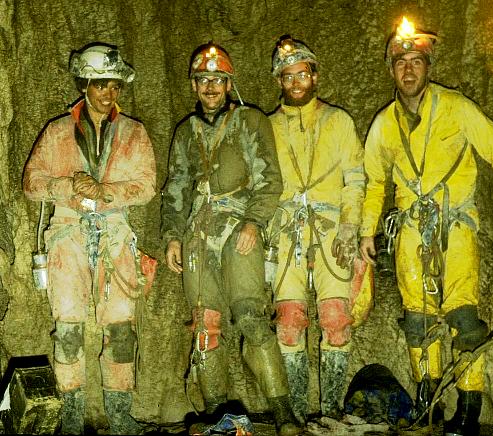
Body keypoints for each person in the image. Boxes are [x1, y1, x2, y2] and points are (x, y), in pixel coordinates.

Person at [359, 17, 493, 436]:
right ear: (391, 70)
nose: (408, 71)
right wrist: (367, 231)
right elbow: (375, 183)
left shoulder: (456, 107)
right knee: (418, 322)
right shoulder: (383, 125)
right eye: (401, 63)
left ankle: (469, 407)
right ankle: (428, 405)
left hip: (455, 228)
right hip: (411, 233)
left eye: (416, 62)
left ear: (428, 66)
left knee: (464, 318)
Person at [160, 42, 301, 436]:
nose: (210, 87)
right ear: (193, 85)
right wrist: (172, 236)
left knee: (252, 317)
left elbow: (270, 180)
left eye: (218, 80)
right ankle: (216, 414)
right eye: (203, 80)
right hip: (197, 234)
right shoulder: (185, 132)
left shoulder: (249, 121)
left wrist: (254, 222)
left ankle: (283, 410)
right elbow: (176, 188)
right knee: (205, 325)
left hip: (239, 228)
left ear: (228, 84)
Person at [23, 43, 156, 435]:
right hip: (68, 235)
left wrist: (106, 192)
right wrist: (67, 186)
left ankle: (120, 418)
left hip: (115, 234)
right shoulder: (57, 132)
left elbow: (147, 186)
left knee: (121, 329)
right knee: (68, 329)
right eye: (100, 84)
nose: (108, 93)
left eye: (114, 85)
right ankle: (71, 419)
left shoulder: (133, 132)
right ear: (84, 84)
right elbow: (31, 183)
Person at [267, 36, 371, 424]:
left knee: (336, 318)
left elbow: (355, 178)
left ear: (315, 76)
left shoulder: (338, 121)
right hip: (286, 232)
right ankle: (296, 416)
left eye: (302, 74)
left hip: (332, 232)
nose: (296, 83)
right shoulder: (268, 127)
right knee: (288, 321)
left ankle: (331, 413)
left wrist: (349, 226)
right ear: (279, 81)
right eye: (288, 76)